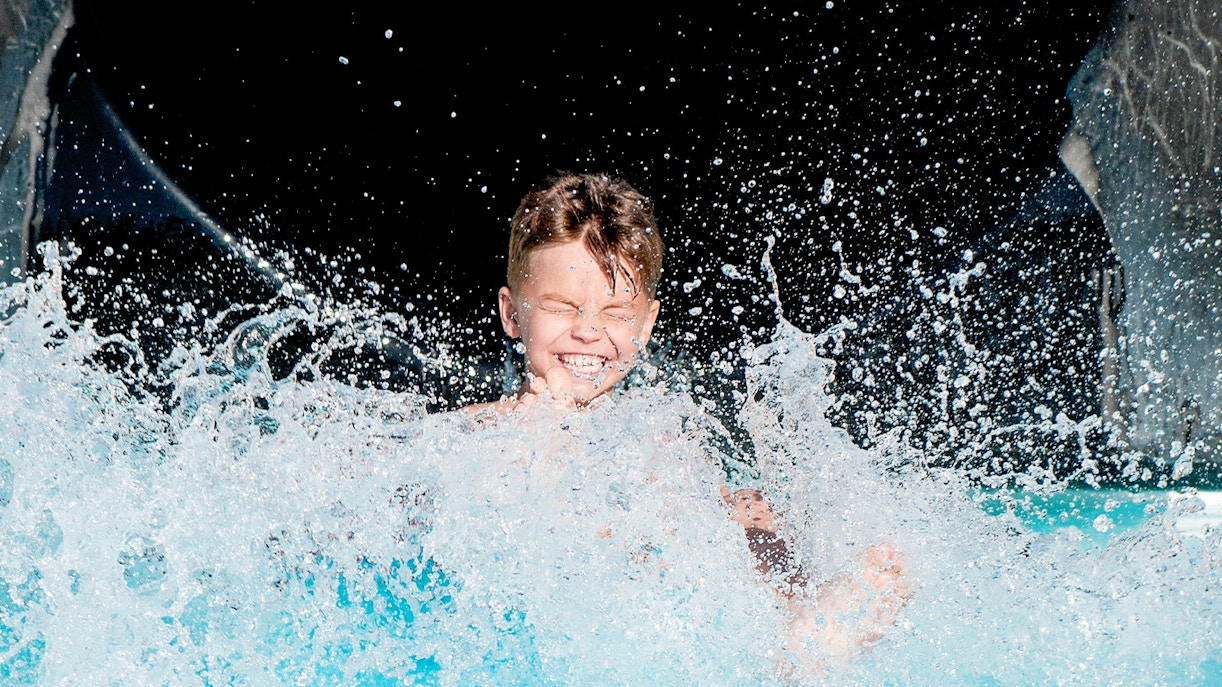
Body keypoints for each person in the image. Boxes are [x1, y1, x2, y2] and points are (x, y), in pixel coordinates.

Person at [469, 172, 909, 672]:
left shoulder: (654, 432)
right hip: (562, 620)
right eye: (562, 307)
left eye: (615, 314)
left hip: (661, 615)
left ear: (646, 324)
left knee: (746, 504)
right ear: (512, 314)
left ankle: (800, 625)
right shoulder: (483, 432)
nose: (589, 331)